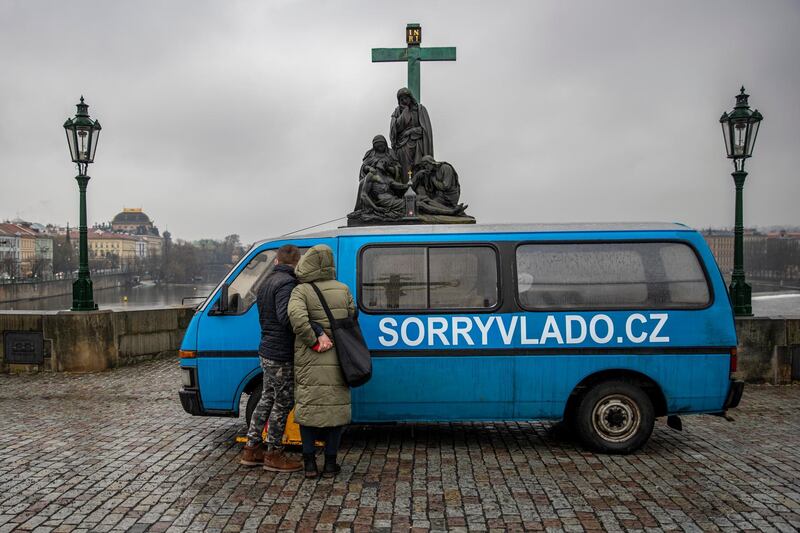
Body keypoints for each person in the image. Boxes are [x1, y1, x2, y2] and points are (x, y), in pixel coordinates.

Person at [239, 244, 327, 472]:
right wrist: (315, 329)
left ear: (277, 261)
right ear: (297, 263)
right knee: (284, 401)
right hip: (280, 354)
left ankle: (251, 449)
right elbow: (287, 317)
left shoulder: (266, 282)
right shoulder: (287, 284)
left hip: (266, 349)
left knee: (267, 398)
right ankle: (274, 454)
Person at [288, 244, 354, 478]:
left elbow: (296, 319)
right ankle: (330, 464)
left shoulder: (301, 291)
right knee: (335, 412)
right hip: (338, 357)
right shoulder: (343, 288)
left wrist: (314, 340)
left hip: (310, 358)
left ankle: (308, 465)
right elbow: (352, 314)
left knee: (307, 411)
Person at [389, 87, 434, 181]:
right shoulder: (397, 112)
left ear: (410, 97)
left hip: (418, 144)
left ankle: (419, 186)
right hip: (403, 146)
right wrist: (405, 111)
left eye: (406, 98)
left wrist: (411, 131)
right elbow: (395, 130)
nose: (404, 101)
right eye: (401, 99)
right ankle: (406, 187)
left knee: (418, 167)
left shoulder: (420, 109)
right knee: (405, 169)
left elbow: (425, 130)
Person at [354, 135, 401, 211]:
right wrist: (369, 168)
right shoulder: (370, 154)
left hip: (387, 178)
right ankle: (366, 207)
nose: (380, 148)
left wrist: (388, 168)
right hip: (374, 178)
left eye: (382, 146)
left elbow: (398, 168)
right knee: (363, 184)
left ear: (385, 144)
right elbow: (364, 167)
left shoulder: (390, 153)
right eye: (377, 146)